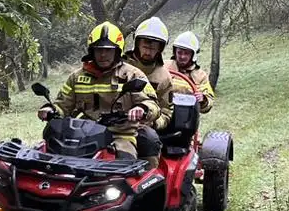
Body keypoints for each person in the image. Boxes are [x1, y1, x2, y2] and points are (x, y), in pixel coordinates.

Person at [41, 22, 158, 159]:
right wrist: (50, 110)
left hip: (120, 137)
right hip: (83, 136)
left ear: (117, 51)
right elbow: (62, 105)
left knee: (123, 168)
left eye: (108, 50)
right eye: (98, 50)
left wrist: (142, 108)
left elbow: (153, 105)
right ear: (92, 51)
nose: (103, 54)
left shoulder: (133, 75)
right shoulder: (77, 77)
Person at [124, 17, 175, 131]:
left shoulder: (164, 77)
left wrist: (152, 123)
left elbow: (167, 114)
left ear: (160, 49)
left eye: (152, 49)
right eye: (145, 47)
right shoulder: (119, 65)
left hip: (144, 130)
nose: (147, 52)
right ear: (137, 44)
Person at [170, 31, 215, 114]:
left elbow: (209, 103)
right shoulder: (164, 67)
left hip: (187, 120)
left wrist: (203, 99)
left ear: (193, 55)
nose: (182, 56)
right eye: (179, 52)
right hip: (163, 117)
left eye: (186, 53)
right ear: (174, 52)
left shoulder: (201, 76)